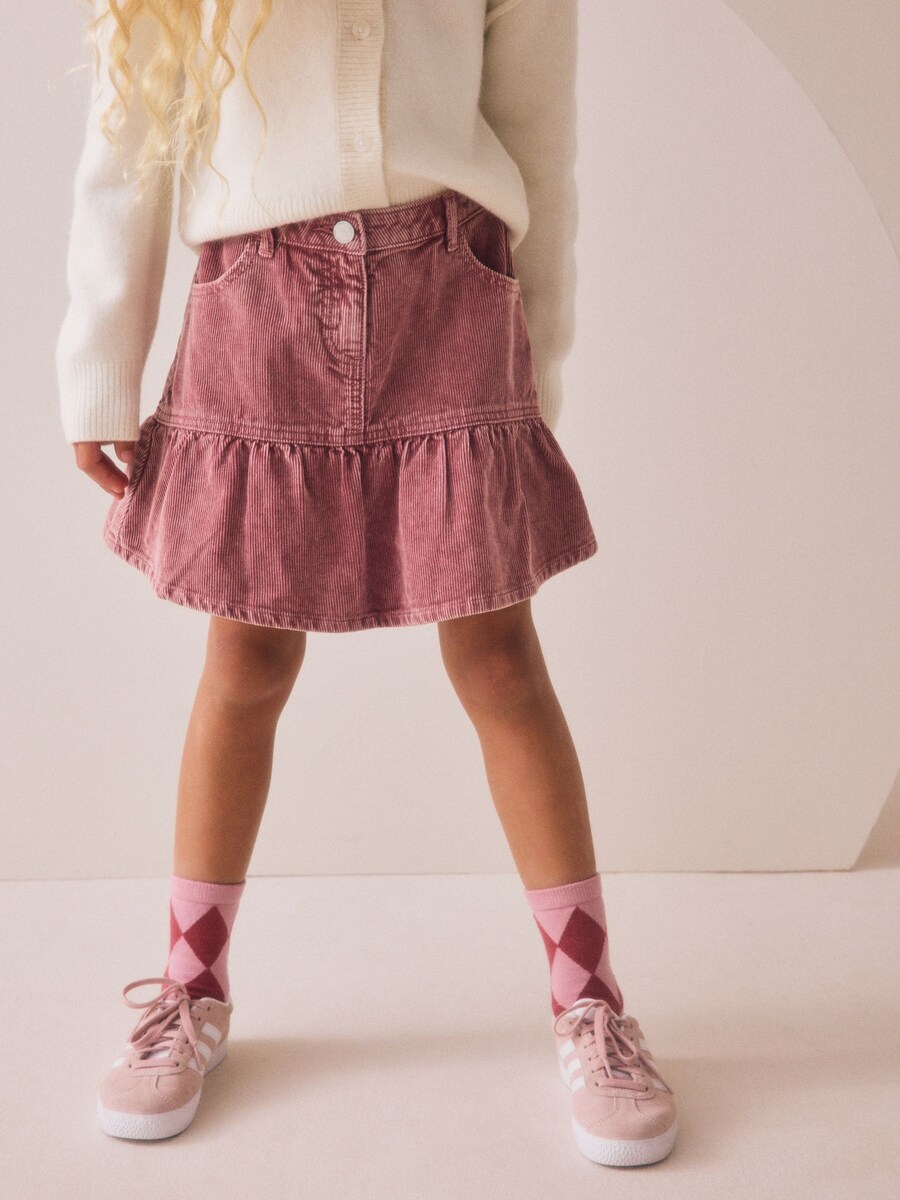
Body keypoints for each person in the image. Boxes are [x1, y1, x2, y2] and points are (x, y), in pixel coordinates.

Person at [55, 0, 677, 1164]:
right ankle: (190, 991)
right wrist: (98, 364)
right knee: (245, 659)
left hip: (455, 297)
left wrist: (537, 368)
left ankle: (588, 1002)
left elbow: (537, 134)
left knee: (500, 660)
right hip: (255, 303)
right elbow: (129, 129)